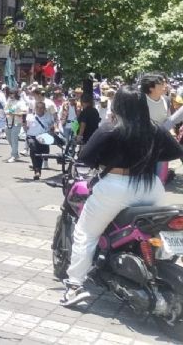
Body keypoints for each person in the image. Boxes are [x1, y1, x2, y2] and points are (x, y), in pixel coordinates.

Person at [60, 87, 183, 306]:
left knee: (86, 234)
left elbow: (85, 157)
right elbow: (175, 152)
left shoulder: (111, 128)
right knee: (152, 231)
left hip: (116, 187)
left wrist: (104, 160)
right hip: (151, 187)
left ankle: (74, 286)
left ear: (118, 105)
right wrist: (151, 156)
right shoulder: (155, 129)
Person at [24, 101, 56, 181]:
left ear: (44, 109)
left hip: (43, 137)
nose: (39, 109)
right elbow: (26, 127)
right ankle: (37, 171)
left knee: (42, 154)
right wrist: (24, 126)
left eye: (41, 108)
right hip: (32, 136)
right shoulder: (30, 116)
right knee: (33, 149)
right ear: (35, 108)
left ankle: (38, 169)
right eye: (38, 107)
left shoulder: (48, 117)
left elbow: (52, 125)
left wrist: (52, 129)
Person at [4, 89, 27, 163]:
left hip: (17, 122)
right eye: (10, 93)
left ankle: (13, 155)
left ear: (16, 94)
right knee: (8, 137)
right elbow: (5, 110)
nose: (11, 95)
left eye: (12, 93)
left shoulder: (20, 102)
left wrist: (15, 114)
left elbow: (24, 111)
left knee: (14, 138)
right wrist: (8, 112)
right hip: (9, 122)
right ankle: (15, 152)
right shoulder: (9, 101)